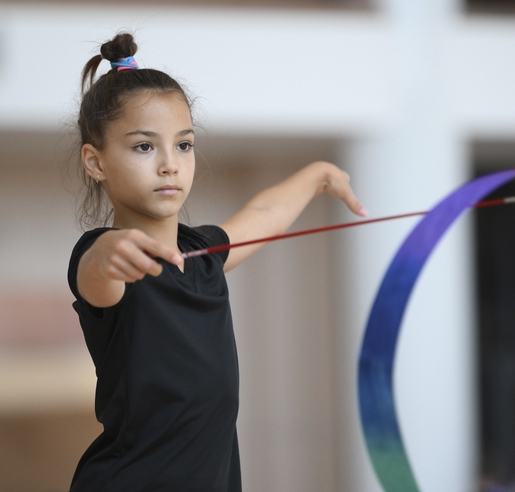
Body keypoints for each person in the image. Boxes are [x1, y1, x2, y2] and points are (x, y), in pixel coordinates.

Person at [68, 32, 366, 491]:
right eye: (144, 147)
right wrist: (111, 254)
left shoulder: (203, 255)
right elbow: (95, 275)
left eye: (183, 145)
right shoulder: (103, 255)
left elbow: (262, 216)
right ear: (96, 162)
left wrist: (318, 175)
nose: (170, 164)